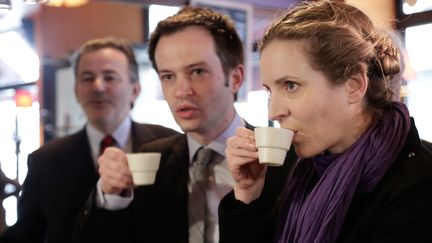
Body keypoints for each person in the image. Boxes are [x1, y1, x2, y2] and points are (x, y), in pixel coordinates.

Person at [77, 6, 295, 243]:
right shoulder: (152, 159)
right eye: (168, 76)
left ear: (235, 78)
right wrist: (108, 195)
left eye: (198, 72)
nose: (181, 91)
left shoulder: (284, 159)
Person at [219, 1, 432, 243]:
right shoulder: (297, 172)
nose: (274, 111)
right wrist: (247, 193)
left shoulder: (416, 185)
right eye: (270, 91)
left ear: (353, 86)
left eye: (291, 85)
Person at [0, 37, 178, 243]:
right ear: (76, 90)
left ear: (135, 90)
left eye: (110, 77)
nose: (98, 87)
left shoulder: (170, 144)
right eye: (87, 78)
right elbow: (25, 236)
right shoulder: (45, 161)